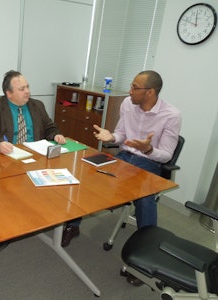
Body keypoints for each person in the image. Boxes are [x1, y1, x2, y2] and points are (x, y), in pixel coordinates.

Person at [93, 70, 181, 286]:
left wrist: (149, 149)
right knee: (88, 177)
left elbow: (167, 154)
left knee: (144, 198)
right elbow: (121, 134)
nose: (129, 91)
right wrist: (112, 136)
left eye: (134, 87)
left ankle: (146, 259)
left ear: (150, 92)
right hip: (124, 157)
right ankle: (72, 225)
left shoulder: (171, 115)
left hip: (149, 162)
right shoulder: (127, 104)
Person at [0, 70, 79, 251]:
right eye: (21, 89)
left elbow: (50, 126)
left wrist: (56, 134)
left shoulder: (37, 106)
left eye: (27, 87)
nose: (27, 91)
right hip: (9, 162)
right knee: (7, 192)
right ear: (8, 93)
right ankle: (5, 232)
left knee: (68, 182)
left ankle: (71, 225)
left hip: (38, 158)